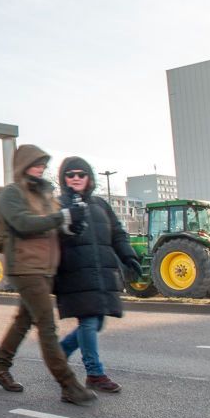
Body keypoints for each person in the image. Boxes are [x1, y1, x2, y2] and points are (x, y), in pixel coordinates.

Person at [0, 145, 97, 405]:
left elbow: (53, 225)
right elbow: (23, 224)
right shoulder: (12, 193)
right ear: (23, 164)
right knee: (47, 326)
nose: (41, 168)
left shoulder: (45, 193)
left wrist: (71, 225)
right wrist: (62, 217)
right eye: (36, 163)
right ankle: (68, 385)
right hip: (25, 267)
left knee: (23, 321)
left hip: (45, 267)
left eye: (43, 164)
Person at [55, 157, 142, 393]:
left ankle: (59, 353)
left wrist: (129, 256)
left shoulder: (101, 204)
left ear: (89, 178)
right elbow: (50, 238)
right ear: (63, 179)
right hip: (74, 274)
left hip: (102, 272)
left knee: (97, 322)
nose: (75, 178)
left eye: (80, 174)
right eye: (70, 174)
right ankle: (94, 373)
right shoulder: (57, 205)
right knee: (89, 321)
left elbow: (118, 234)